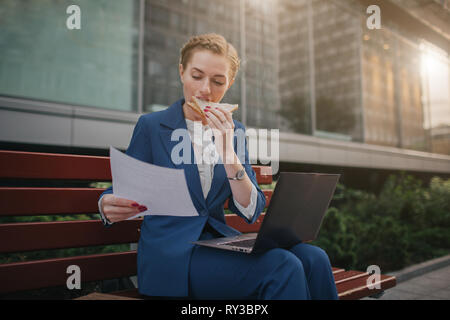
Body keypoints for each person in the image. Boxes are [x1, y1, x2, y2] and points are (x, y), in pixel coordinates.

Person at [99, 33, 338, 300]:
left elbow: (251, 210)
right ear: (181, 72)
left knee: (314, 257)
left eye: (217, 81)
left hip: (217, 244)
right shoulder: (152, 126)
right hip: (171, 258)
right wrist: (106, 203)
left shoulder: (234, 131)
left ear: (230, 83)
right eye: (196, 76)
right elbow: (124, 187)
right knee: (282, 266)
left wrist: (227, 152)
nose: (205, 90)